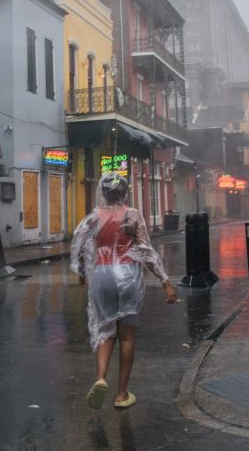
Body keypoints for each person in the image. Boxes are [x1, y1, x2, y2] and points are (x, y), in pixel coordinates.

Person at [71, 172, 178, 409]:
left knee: (106, 330)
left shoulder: (93, 218)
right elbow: (145, 251)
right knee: (127, 336)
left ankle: (100, 378)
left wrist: (81, 273)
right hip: (127, 274)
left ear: (104, 193)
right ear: (124, 193)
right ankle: (121, 394)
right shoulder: (132, 216)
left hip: (102, 275)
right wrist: (165, 283)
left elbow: (80, 249)